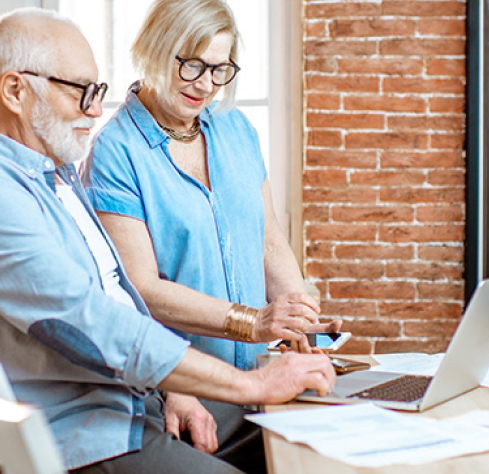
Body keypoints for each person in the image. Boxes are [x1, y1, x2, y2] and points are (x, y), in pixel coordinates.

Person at [0, 8, 335, 473]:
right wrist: (238, 377)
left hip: (149, 404)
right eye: (81, 92)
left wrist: (301, 330)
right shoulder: (58, 174)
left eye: (220, 69)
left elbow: (121, 296)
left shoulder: (55, 175)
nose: (96, 110)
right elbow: (100, 319)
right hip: (100, 429)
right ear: (15, 91)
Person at [81, 0, 338, 370]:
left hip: (263, 376)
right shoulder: (115, 151)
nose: (205, 85)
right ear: (155, 49)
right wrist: (253, 321)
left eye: (219, 69)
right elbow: (142, 289)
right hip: (185, 388)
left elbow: (268, 242)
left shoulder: (236, 128)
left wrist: (302, 325)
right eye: (192, 65)